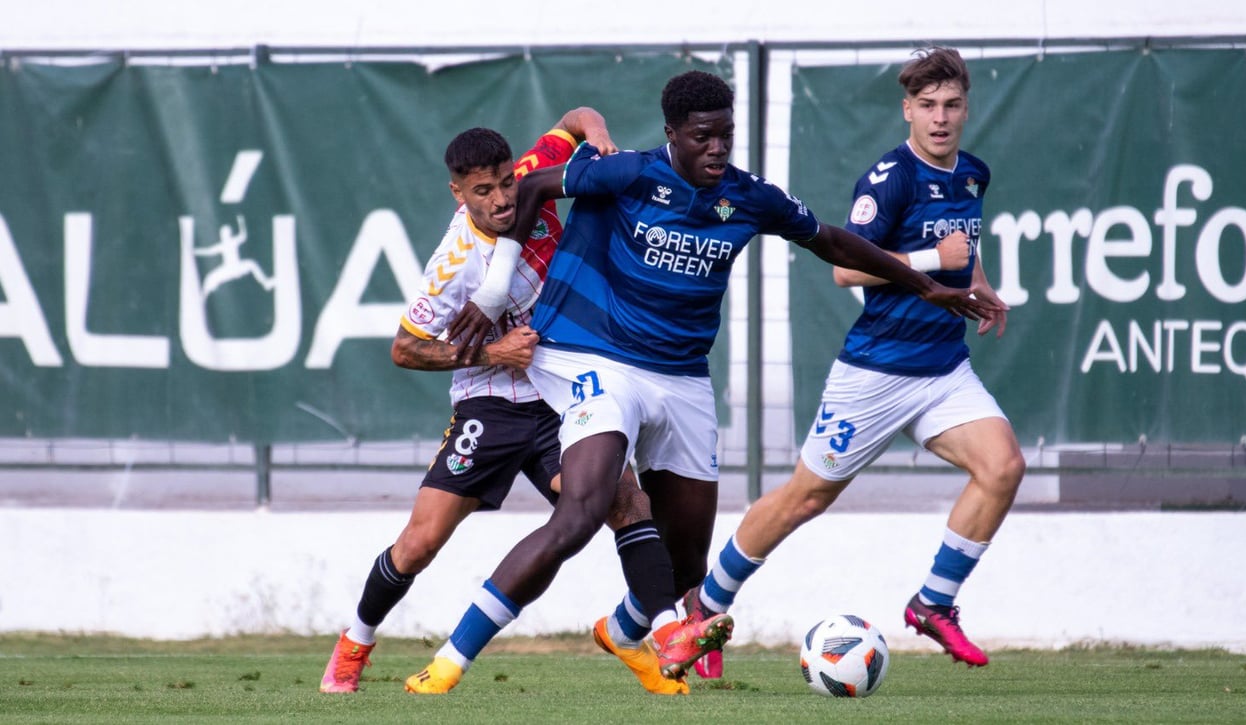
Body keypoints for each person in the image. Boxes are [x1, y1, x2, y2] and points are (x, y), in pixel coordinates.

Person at [408, 69, 995, 695]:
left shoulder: (748, 196)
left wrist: (927, 284)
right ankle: (449, 661)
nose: (717, 149)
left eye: (726, 136)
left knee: (688, 564)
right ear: (673, 134)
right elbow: (530, 190)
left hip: (683, 378)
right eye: (702, 137)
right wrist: (496, 290)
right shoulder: (626, 172)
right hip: (596, 359)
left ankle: (626, 629)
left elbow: (828, 239)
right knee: (580, 510)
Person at [321, 109, 688, 696]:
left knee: (623, 501)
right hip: (488, 403)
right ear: (458, 193)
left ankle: (660, 635)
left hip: (561, 394)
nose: (500, 200)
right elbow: (405, 350)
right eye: (482, 191)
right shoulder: (453, 263)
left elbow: (577, 116)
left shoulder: (536, 171)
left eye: (504, 183)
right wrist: (494, 354)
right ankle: (355, 642)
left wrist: (597, 138)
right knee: (420, 543)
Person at [681, 46, 1022, 668]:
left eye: (951, 105)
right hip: (876, 373)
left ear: (966, 109)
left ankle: (933, 604)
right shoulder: (889, 180)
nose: (940, 118)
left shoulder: (973, 173)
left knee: (1002, 467)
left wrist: (981, 282)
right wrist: (930, 264)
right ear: (907, 112)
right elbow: (844, 268)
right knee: (805, 498)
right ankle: (707, 603)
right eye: (927, 106)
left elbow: (962, 247)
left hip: (943, 369)